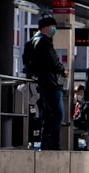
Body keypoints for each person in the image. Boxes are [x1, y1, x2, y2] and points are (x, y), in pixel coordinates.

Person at [27, 16, 67, 150]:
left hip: (39, 84)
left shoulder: (30, 42)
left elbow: (27, 65)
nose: (54, 30)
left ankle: (45, 143)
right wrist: (62, 70)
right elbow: (53, 62)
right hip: (50, 83)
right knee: (57, 114)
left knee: (46, 114)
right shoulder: (45, 42)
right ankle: (53, 144)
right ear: (46, 27)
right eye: (53, 27)